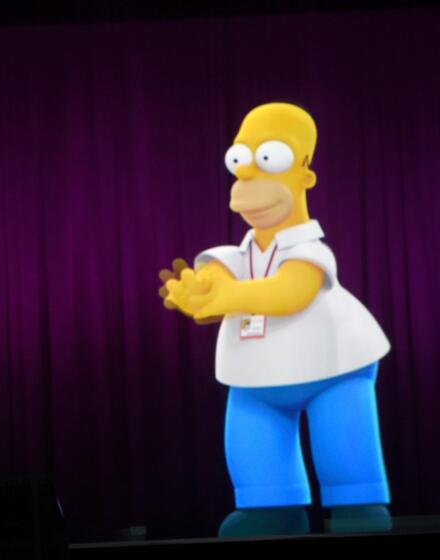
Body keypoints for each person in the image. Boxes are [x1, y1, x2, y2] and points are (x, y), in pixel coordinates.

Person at [160, 103, 391, 536]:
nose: (248, 181)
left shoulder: (309, 250)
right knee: (253, 448)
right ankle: (271, 505)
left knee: (343, 445)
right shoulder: (233, 256)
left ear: (304, 172)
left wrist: (231, 295)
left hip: (333, 368)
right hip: (257, 380)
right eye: (240, 162)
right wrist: (197, 293)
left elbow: (291, 291)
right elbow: (215, 281)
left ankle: (356, 503)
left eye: (269, 160)